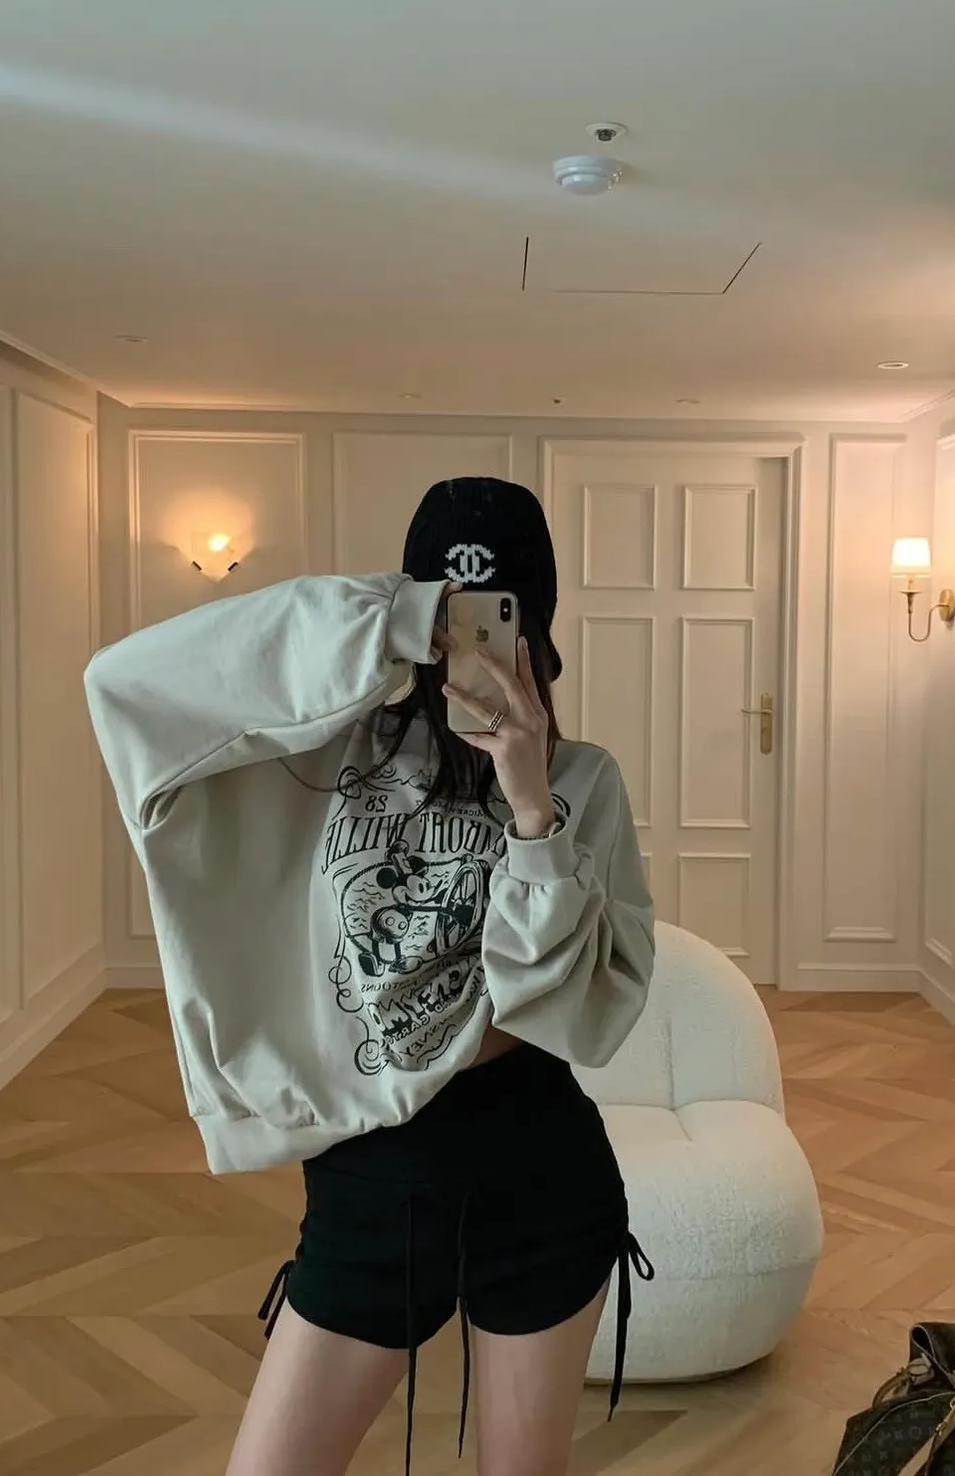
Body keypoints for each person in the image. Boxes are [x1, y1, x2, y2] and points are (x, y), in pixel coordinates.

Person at [84, 476, 656, 1476]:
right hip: (370, 1183)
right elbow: (125, 683)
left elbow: (571, 1016)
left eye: (497, 617)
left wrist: (531, 812)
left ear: (535, 629)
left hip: (539, 1177)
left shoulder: (581, 780)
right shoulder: (317, 760)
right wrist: (391, 618)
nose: (472, 645)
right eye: (453, 617)